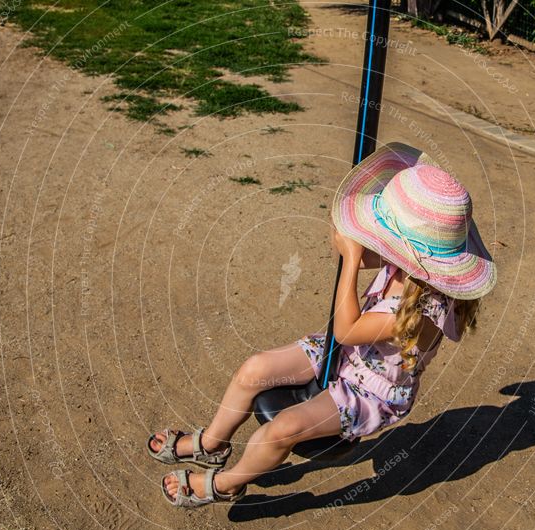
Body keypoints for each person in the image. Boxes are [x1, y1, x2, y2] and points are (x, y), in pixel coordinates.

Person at [148, 142, 497, 507]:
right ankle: (212, 443)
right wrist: (349, 230)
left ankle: (227, 483)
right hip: (345, 352)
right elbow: (360, 287)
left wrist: (350, 260)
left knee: (280, 431)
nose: (373, 241)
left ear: (408, 250)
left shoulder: (424, 307)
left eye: (382, 235)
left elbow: (348, 327)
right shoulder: (411, 266)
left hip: (371, 390)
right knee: (255, 370)